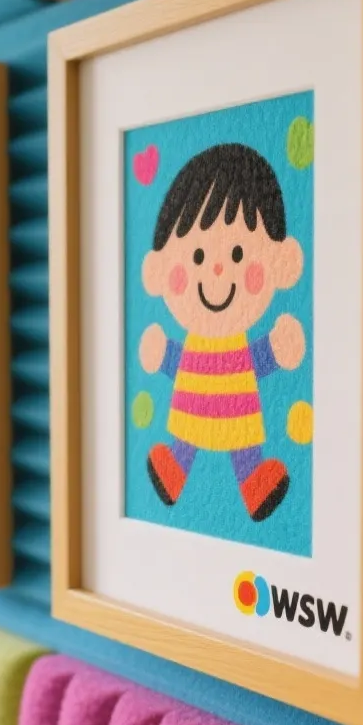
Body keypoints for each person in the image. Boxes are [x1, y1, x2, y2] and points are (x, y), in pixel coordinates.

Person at [137, 143, 306, 521]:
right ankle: (173, 470)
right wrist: (162, 352)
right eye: (197, 257)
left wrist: (278, 349)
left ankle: (253, 483)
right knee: (184, 442)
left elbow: (257, 360)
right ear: (161, 270)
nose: (216, 271)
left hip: (238, 413)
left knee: (243, 447)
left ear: (281, 262)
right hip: (190, 410)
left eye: (237, 256)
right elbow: (176, 362)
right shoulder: (194, 345)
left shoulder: (239, 346)